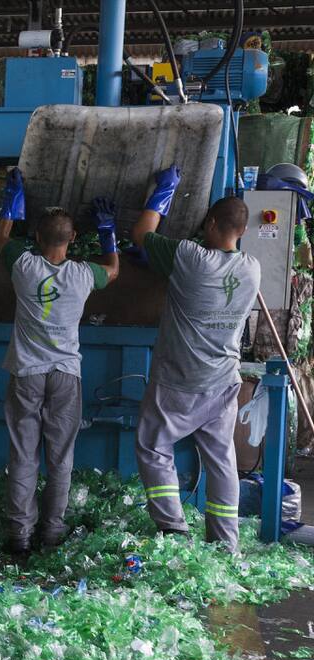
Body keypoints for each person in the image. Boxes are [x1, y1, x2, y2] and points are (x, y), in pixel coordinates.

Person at [130, 166, 260, 553]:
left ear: (211, 222)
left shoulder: (189, 258)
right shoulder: (251, 268)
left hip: (178, 381)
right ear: (243, 231)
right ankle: (225, 542)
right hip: (223, 382)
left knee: (153, 447)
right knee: (221, 460)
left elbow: (141, 235)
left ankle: (173, 528)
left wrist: (162, 192)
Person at [0, 168, 120, 554]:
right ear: (73, 240)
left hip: (27, 374)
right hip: (66, 375)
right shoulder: (83, 275)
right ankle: (51, 530)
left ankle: (19, 534)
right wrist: (108, 231)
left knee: (23, 455)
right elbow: (113, 270)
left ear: (36, 238)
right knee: (60, 457)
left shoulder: (24, 266)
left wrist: (12, 201)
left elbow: (1, 238)